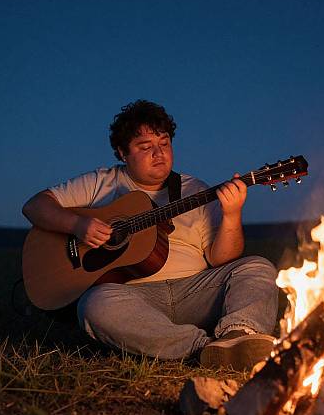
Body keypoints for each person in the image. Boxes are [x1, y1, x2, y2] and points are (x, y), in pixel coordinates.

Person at [22, 100, 278, 370]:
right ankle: (202, 348)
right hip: (133, 301)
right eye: (145, 147)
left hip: (194, 290)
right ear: (122, 153)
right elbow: (35, 206)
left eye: (165, 143)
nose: (159, 153)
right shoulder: (102, 182)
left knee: (257, 267)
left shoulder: (196, 189)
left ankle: (238, 336)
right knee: (94, 305)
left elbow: (222, 258)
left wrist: (232, 214)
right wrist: (76, 225)